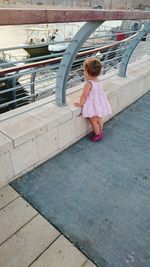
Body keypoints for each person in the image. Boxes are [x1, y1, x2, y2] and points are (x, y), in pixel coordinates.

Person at [74, 58, 112, 142]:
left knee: (93, 121)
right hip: (99, 104)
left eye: (84, 71)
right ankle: (101, 131)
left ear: (87, 73)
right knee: (99, 119)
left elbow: (84, 95)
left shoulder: (88, 84)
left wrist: (80, 104)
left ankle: (98, 134)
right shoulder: (98, 81)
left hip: (93, 106)